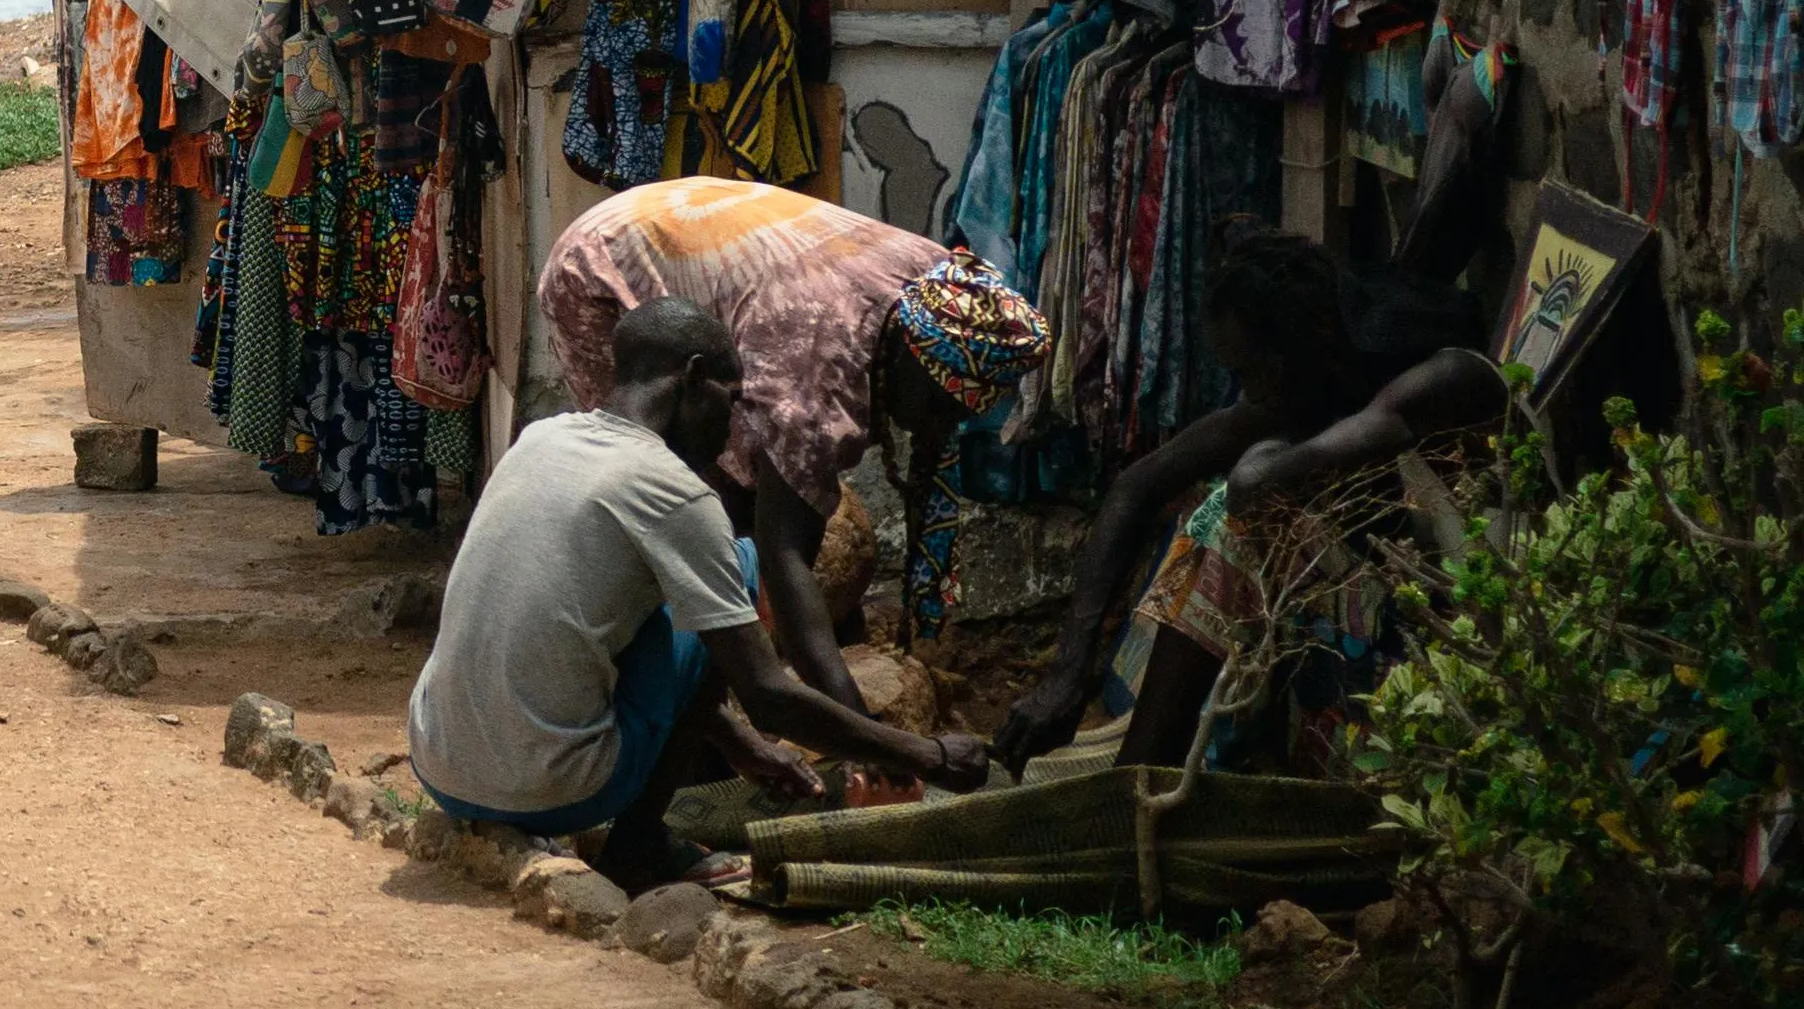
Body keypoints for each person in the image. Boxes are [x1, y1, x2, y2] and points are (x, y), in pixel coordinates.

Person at [989, 44, 1512, 776]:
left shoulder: (1428, 379)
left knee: (1229, 527)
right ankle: (1141, 773)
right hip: (1382, 624)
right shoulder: (1312, 375)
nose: (1250, 392)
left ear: (1312, 339)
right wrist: (1066, 671)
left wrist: (1246, 466)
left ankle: (1142, 781)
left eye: (1255, 370)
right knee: (1217, 522)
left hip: (1477, 653)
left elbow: (1256, 485)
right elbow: (1138, 485)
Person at [412, 298, 992, 891]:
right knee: (738, 565)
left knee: (658, 603)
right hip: (550, 791)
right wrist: (927, 756)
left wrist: (740, 745)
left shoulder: (540, 439)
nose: (735, 423)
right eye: (732, 398)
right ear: (692, 379)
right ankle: (637, 845)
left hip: (438, 763)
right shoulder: (677, 495)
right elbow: (767, 695)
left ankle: (591, 793)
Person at [536, 175, 1049, 790]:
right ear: (913, 363)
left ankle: (706, 719)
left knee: (732, 529)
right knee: (680, 519)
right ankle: (675, 745)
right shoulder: (820, 366)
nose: (943, 426)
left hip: (682, 226)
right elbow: (786, 560)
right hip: (602, 265)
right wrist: (870, 741)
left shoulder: (942, 289)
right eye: (940, 408)